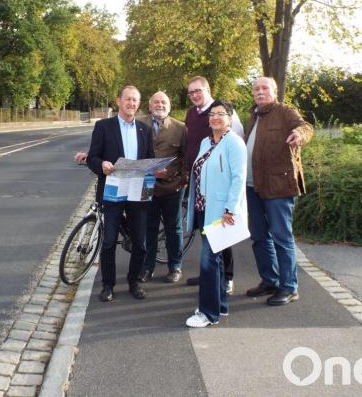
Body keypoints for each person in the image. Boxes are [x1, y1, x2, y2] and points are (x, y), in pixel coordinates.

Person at [243, 77, 313, 306]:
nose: (260, 92)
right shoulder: (254, 115)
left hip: (278, 186)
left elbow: (305, 127)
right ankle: (270, 280)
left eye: (265, 88)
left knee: (282, 238)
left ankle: (289, 287)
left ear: (274, 91)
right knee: (259, 236)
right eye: (256, 89)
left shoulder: (285, 112)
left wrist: (299, 136)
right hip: (253, 186)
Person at [86, 86, 155, 302]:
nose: (131, 103)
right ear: (119, 101)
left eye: (135, 100)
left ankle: (134, 281)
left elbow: (150, 159)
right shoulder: (103, 126)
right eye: (128, 99)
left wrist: (156, 169)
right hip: (112, 191)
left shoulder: (145, 129)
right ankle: (108, 285)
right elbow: (92, 158)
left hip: (137, 192)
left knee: (140, 242)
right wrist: (102, 164)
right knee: (108, 242)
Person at [184, 100, 247, 327]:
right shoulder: (205, 141)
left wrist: (231, 209)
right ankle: (220, 305)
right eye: (212, 114)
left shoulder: (235, 144)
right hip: (203, 209)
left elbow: (239, 179)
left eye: (221, 114)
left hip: (221, 212)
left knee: (208, 262)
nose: (215, 118)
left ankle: (208, 313)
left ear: (230, 118)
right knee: (216, 260)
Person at [135, 91, 188, 284]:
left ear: (169, 105)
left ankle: (175, 266)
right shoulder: (139, 124)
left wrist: (182, 180)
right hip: (145, 185)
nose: (160, 105)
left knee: (173, 228)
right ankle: (147, 267)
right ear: (149, 106)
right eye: (155, 102)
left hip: (171, 187)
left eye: (163, 102)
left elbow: (186, 157)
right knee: (148, 228)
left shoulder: (181, 128)